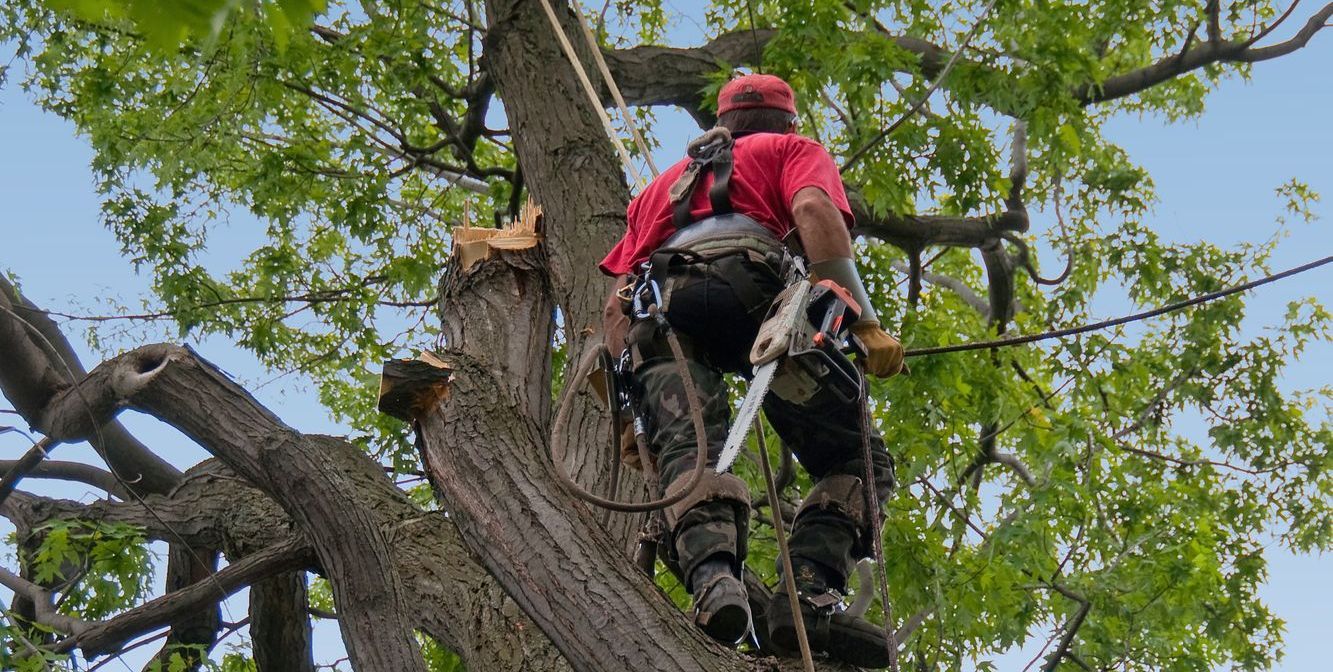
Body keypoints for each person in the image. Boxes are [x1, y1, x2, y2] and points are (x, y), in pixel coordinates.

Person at [599, 73, 903, 667]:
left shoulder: (661, 188)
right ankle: (806, 598)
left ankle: (714, 583)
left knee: (688, 454)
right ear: (785, 121)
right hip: (756, 300)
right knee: (856, 460)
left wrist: (630, 419)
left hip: (663, 316)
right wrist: (863, 322)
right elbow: (813, 207)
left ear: (724, 122)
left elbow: (615, 304)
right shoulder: (793, 151)